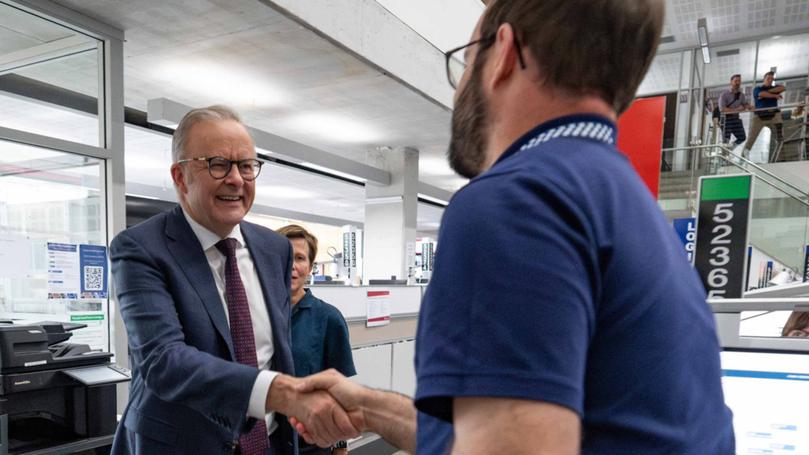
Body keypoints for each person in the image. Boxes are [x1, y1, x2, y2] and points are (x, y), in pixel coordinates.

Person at [290, 0, 735, 453]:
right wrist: (374, 411)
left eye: (464, 63)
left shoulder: (516, 202)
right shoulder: (630, 208)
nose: (461, 85)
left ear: (503, 52)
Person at [110, 106, 359, 455]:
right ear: (180, 177)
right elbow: (163, 361)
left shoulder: (274, 248)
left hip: (270, 444)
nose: (237, 179)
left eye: (246, 165)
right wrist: (282, 393)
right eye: (218, 164)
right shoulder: (140, 248)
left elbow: (276, 351)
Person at [277, 224, 356, 455]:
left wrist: (341, 445)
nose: (292, 265)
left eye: (300, 258)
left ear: (310, 267)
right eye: (285, 256)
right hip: (264, 442)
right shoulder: (254, 314)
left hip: (312, 444)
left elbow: (341, 390)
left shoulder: (328, 318)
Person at [743, 71, 786, 161]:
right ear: (764, 79)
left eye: (772, 79)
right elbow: (761, 94)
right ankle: (744, 154)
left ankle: (781, 157)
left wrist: (768, 92)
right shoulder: (757, 89)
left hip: (773, 116)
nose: (770, 80)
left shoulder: (775, 87)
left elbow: (783, 88)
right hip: (759, 117)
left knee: (779, 136)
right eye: (768, 78)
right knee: (752, 136)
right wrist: (774, 95)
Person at [718, 74, 751, 147]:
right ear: (731, 82)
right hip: (726, 119)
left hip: (736, 119)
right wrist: (737, 109)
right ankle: (724, 155)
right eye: (736, 81)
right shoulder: (724, 94)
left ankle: (729, 149)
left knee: (742, 137)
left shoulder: (741, 95)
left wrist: (749, 106)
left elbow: (744, 104)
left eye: (739, 81)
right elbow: (722, 109)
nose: (737, 83)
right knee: (726, 140)